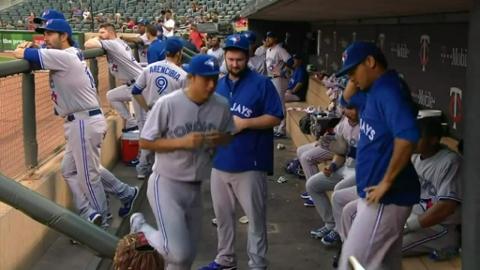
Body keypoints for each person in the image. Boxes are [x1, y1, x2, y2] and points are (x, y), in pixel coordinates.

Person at [14, 19, 138, 227]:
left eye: (50, 34)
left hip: (83, 121)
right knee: (69, 169)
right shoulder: (69, 54)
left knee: (88, 176)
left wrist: (23, 47)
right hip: (85, 119)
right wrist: (37, 47)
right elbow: (42, 54)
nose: (46, 38)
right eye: (45, 34)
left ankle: (100, 224)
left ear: (64, 36)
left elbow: (22, 54)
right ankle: (115, 198)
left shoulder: (63, 56)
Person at [129, 54, 234, 270]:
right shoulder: (168, 103)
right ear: (191, 78)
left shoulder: (221, 105)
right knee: (178, 252)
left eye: (215, 78)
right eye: (206, 79)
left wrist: (221, 138)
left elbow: (229, 136)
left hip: (195, 189)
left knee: (185, 259)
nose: (212, 84)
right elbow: (145, 142)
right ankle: (141, 228)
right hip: (165, 184)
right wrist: (181, 142)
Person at [200, 34, 283, 270]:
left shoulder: (261, 83)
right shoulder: (219, 84)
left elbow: (276, 116)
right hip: (220, 162)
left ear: (247, 58)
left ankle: (257, 265)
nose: (234, 64)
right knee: (223, 218)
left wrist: (246, 123)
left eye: (239, 59)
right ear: (224, 58)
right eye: (230, 59)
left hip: (250, 163)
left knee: (255, 221)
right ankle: (225, 260)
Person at [336, 41, 420, 270]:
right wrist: (353, 80)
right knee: (386, 265)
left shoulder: (388, 90)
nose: (351, 78)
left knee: (353, 263)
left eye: (353, 71)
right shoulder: (374, 89)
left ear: (370, 62)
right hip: (375, 193)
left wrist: (387, 182)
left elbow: (407, 137)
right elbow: (346, 100)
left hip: (386, 197)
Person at [84, 23, 149, 178]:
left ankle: (143, 165)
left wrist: (96, 38)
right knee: (112, 96)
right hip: (134, 84)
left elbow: (88, 44)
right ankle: (130, 121)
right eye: (99, 32)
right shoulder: (117, 42)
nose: (99, 35)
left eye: (102, 32)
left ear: (111, 33)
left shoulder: (112, 44)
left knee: (144, 126)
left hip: (140, 87)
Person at [402, 117, 462, 256]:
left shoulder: (450, 162)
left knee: (386, 248)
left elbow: (445, 208)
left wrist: (407, 226)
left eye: (418, 136)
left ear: (434, 140)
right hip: (414, 217)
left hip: (440, 228)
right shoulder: (416, 157)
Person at [306, 104, 359, 245]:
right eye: (347, 108)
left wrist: (347, 151)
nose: (349, 111)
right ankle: (330, 224)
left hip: (360, 172)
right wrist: (332, 166)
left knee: (339, 190)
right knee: (312, 185)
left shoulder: (368, 127)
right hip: (346, 167)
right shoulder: (343, 125)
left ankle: (338, 231)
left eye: (353, 108)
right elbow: (340, 154)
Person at [132, 37, 187, 111]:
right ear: (178, 53)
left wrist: (147, 109)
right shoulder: (183, 75)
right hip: (172, 117)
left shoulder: (150, 68)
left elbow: (135, 91)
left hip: (153, 114)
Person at [264, 31, 292, 137]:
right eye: (267, 37)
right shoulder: (268, 50)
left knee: (280, 104)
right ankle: (276, 126)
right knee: (274, 103)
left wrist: (283, 71)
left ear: (275, 39)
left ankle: (282, 129)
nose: (267, 39)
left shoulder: (280, 49)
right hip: (271, 78)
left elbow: (290, 60)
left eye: (270, 37)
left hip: (279, 79)